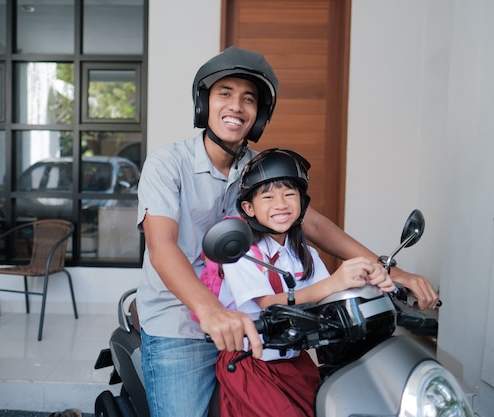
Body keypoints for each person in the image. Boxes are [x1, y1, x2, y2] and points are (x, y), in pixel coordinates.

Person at [136, 45, 438, 417]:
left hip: (253, 324)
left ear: (259, 115)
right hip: (180, 322)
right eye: (225, 94)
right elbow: (161, 245)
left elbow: (312, 223)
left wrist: (391, 270)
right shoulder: (167, 164)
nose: (237, 106)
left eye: (249, 99)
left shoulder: (259, 169)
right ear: (204, 102)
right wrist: (211, 310)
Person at [208, 148, 394, 416]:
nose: (281, 203)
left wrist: (369, 279)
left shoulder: (303, 254)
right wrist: (334, 282)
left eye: (289, 194)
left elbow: (327, 298)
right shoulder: (241, 253)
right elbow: (269, 304)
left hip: (295, 362)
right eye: (268, 196)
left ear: (303, 203)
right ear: (249, 207)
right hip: (252, 365)